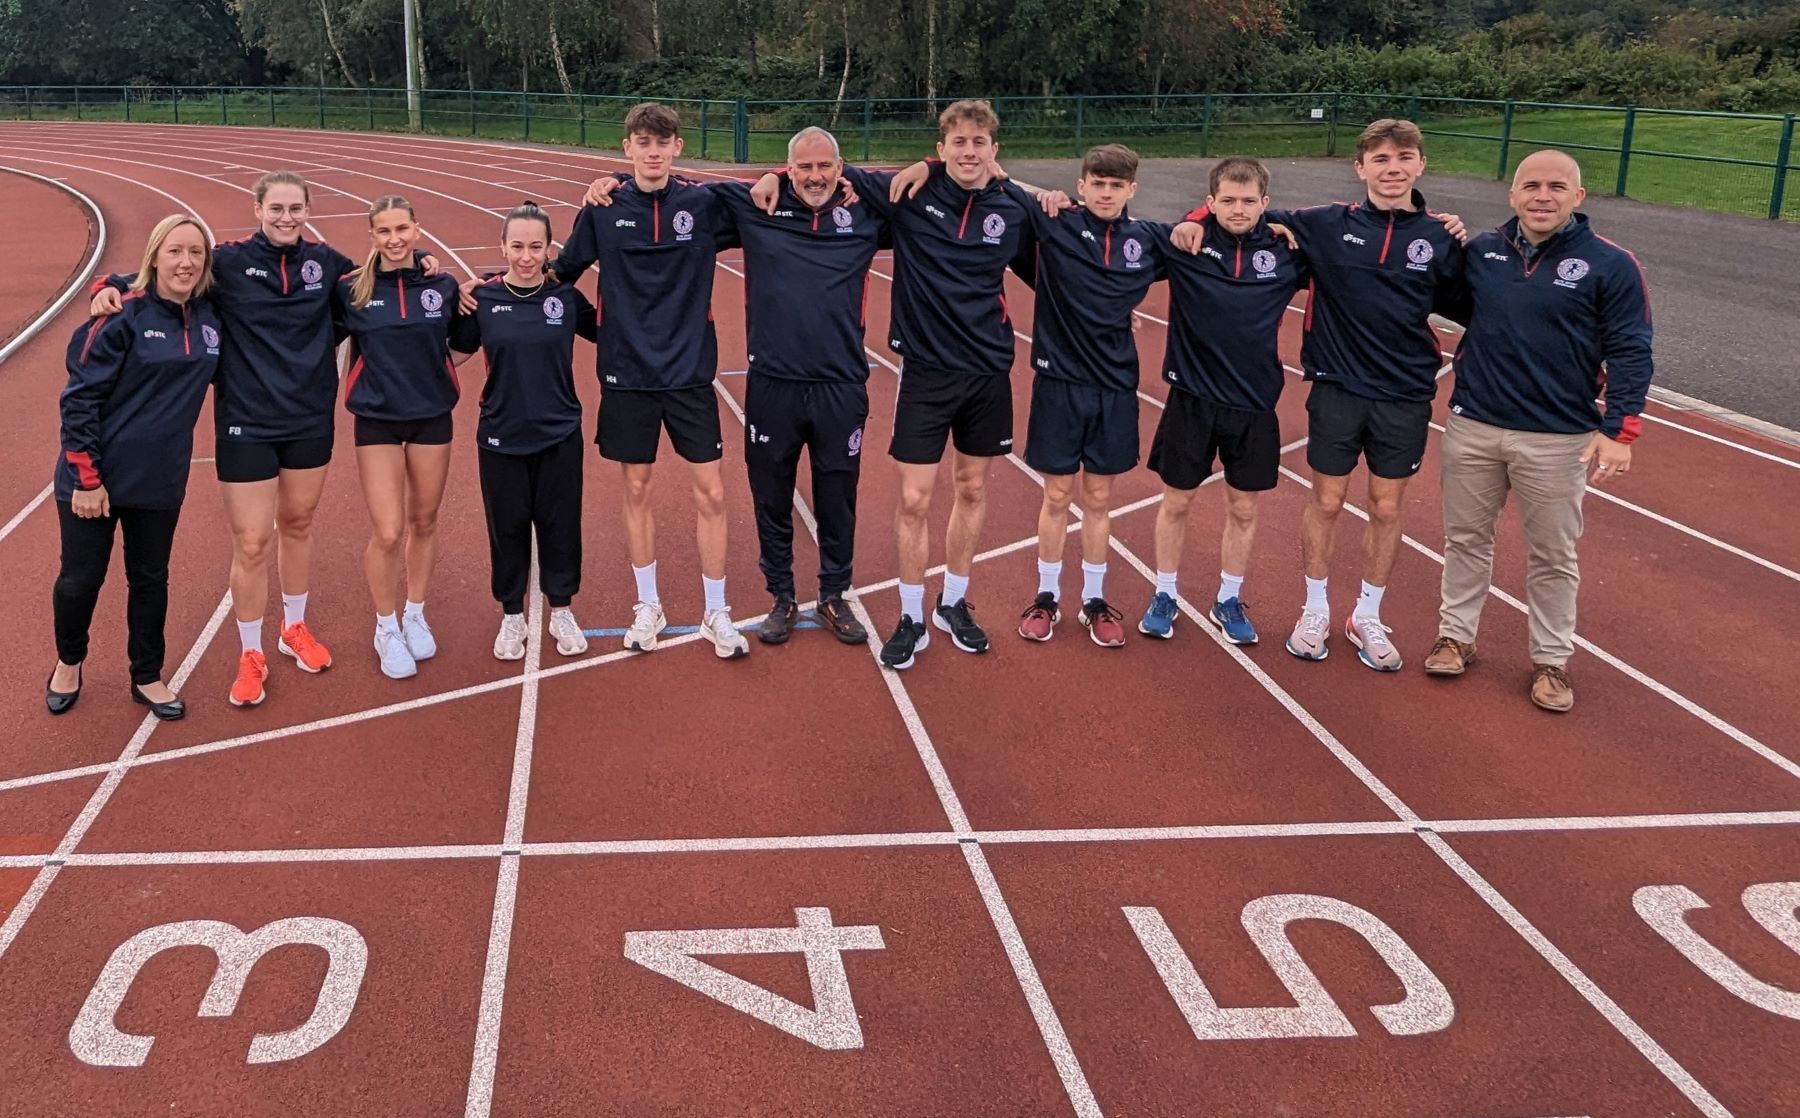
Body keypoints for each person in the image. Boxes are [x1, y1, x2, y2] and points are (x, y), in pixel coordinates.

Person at [87, 172, 440, 707]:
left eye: (295, 208)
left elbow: (384, 274)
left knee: (297, 526)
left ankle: (293, 628)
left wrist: (426, 264)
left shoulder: (325, 265)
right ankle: (250, 652)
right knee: (252, 542)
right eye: (276, 208)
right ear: (257, 209)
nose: (285, 217)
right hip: (245, 422)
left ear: (307, 211)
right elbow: (152, 274)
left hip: (308, 420)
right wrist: (105, 287)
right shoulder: (225, 261)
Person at [753, 100, 1035, 670]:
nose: (969, 152)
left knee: (974, 490)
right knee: (912, 499)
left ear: (994, 150)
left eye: (979, 143)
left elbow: (1063, 261)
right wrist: (774, 173)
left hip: (988, 372)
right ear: (943, 145)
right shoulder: (910, 194)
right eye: (957, 143)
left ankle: (952, 603)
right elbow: (826, 170)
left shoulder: (1018, 208)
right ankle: (909, 615)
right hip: (926, 372)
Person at [1176, 119, 1465, 670]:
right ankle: (1315, 609)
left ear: (1421, 165)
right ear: (1360, 168)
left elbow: (1473, 306)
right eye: (1379, 159)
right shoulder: (1326, 224)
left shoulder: (1441, 239)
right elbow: (1243, 212)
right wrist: (1192, 219)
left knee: (1386, 508)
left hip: (1404, 394)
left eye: (1404, 157)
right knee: (1327, 502)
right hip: (1336, 388)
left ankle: (1368, 615)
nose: (1392, 168)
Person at [584, 125, 883, 646]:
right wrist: (611, 179)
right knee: (771, 495)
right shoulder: (755, 205)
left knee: (839, 494)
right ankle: (782, 597)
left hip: (840, 383)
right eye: (803, 166)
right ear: (788, 169)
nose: (815, 176)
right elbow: (664, 184)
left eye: (826, 166)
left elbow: (935, 189)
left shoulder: (865, 211)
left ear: (841, 168)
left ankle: (835, 594)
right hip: (772, 381)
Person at [889, 144, 1159, 647]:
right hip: (1055, 382)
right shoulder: (1052, 219)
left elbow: (1216, 230)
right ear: (1081, 186)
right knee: (1056, 495)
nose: (1105, 192)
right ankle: (1047, 596)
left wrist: (1203, 216)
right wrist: (928, 164)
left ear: (1131, 191)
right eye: (1096, 183)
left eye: (1115, 185)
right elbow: (1003, 183)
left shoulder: (1146, 239)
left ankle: (1094, 601)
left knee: (1099, 498)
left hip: (1114, 388)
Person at [1425, 149, 1652, 712]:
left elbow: (1631, 349)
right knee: (1465, 541)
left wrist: (1619, 431)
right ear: (1513, 195)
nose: (1542, 196)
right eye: (1531, 185)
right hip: (1474, 424)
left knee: (1553, 555)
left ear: (1578, 197)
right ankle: (1456, 637)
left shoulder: (1611, 264)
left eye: (1556, 187)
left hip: (1557, 438)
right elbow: (1436, 294)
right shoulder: (1482, 251)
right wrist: (1439, 237)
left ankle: (1551, 660)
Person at [533, 102, 750, 660]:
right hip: (627, 374)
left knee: (713, 492)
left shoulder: (703, 204)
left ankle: (716, 611)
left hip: (688, 374)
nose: (653, 151)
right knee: (636, 489)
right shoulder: (603, 209)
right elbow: (559, 275)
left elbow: (781, 194)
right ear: (626, 147)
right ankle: (647, 605)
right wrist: (492, 290)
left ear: (678, 146)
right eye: (642, 141)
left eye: (664, 141)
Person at [48, 214, 223, 720]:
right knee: (81, 580)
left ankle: (146, 674)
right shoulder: (120, 316)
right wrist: (87, 479)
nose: (186, 262)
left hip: (159, 480)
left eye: (196, 253)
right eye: (175, 251)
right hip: (93, 480)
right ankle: (69, 661)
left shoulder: (212, 318)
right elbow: (78, 400)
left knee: (150, 580)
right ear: (153, 257)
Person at [1140, 158, 1309, 646]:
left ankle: (1228, 598)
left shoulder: (1288, 252)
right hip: (1191, 399)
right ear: (1210, 202)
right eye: (1228, 200)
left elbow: (1342, 236)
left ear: (1265, 204)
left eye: (1248, 201)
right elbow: (1113, 245)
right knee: (1176, 502)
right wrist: (1191, 222)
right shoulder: (1185, 243)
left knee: (1244, 509)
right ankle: (1165, 593)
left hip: (1254, 403)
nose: (1238, 209)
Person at [335, 195, 476, 680]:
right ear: (371, 235)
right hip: (376, 418)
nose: (394, 239)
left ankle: (415, 612)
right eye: (384, 231)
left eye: (402, 229)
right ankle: (386, 625)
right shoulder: (350, 289)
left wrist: (433, 373)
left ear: (417, 230)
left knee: (425, 520)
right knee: (388, 530)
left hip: (431, 415)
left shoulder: (442, 283)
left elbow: (462, 343)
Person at [449, 202, 598, 661]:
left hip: (559, 432)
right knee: (507, 528)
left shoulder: (566, 300)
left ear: (549, 248)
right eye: (517, 246)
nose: (527, 256)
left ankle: (562, 610)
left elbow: (616, 334)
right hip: (500, 435)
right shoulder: (483, 300)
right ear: (503, 247)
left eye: (536, 246)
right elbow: (451, 357)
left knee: (561, 526)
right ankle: (512, 614)